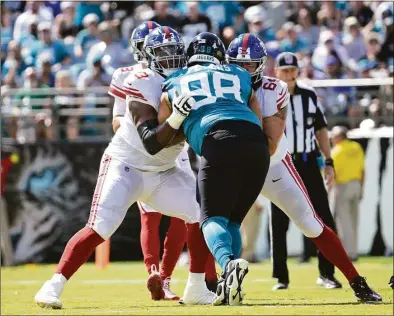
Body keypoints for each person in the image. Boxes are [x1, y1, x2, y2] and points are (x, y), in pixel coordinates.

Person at [34, 26, 216, 309]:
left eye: (174, 53)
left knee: (198, 217)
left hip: (165, 170)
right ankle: (53, 285)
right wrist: (179, 116)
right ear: (149, 56)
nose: (170, 59)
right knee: (100, 227)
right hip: (127, 165)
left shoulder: (190, 79)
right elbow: (151, 142)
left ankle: (196, 287)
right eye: (162, 54)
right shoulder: (141, 80)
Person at [226, 34, 382, 303]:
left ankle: (356, 281)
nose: (243, 71)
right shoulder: (222, 87)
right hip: (238, 167)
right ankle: (208, 283)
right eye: (237, 64)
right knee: (214, 221)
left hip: (274, 167)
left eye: (249, 65)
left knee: (312, 223)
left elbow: (271, 145)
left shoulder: (275, 89)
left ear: (261, 65)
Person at [141, 31, 271, 306]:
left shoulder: (175, 80)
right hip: (256, 146)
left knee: (210, 220)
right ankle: (229, 286)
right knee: (233, 221)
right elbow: (256, 116)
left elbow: (166, 134)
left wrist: (190, 127)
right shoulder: (240, 75)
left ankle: (229, 264)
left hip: (217, 140)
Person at [109, 21, 216, 300]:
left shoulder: (177, 73)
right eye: (157, 49)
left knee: (183, 216)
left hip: (175, 148)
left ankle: (167, 276)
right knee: (151, 217)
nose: (164, 55)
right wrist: (138, 142)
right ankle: (158, 274)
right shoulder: (128, 76)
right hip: (144, 148)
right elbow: (118, 119)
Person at [331, 126, 365, 262]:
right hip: (357, 185)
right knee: (354, 220)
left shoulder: (337, 151)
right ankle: (354, 252)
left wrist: (332, 190)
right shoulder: (356, 147)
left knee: (343, 222)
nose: (332, 139)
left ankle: (347, 254)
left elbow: (334, 174)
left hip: (343, 186)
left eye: (334, 136)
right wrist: (362, 188)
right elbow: (363, 170)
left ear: (339, 137)